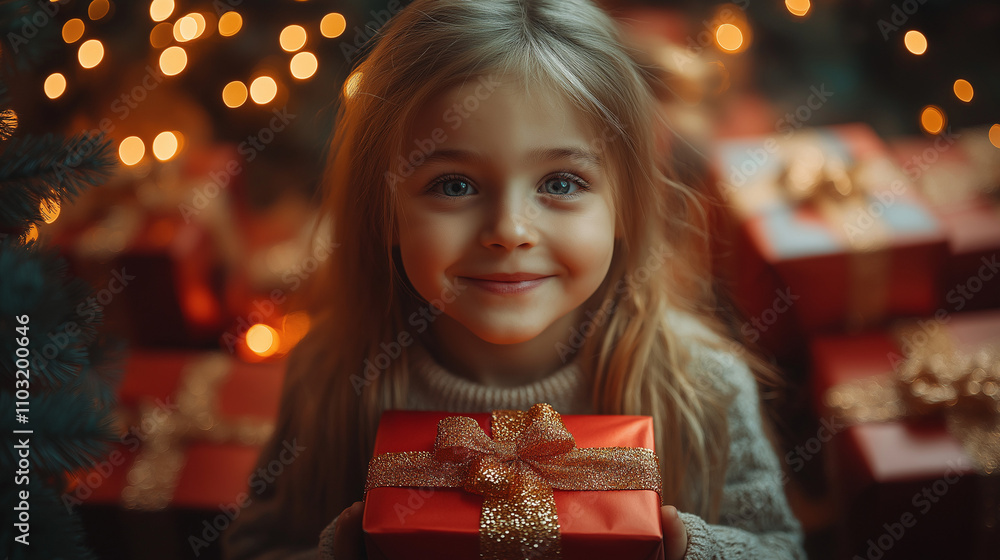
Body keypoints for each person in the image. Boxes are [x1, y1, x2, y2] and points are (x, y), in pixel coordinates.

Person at [223, 0, 806, 558]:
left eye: (560, 183)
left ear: (625, 205)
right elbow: (258, 546)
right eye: (454, 184)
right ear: (385, 210)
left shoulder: (704, 385)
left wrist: (686, 549)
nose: (508, 231)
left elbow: (780, 548)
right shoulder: (331, 376)